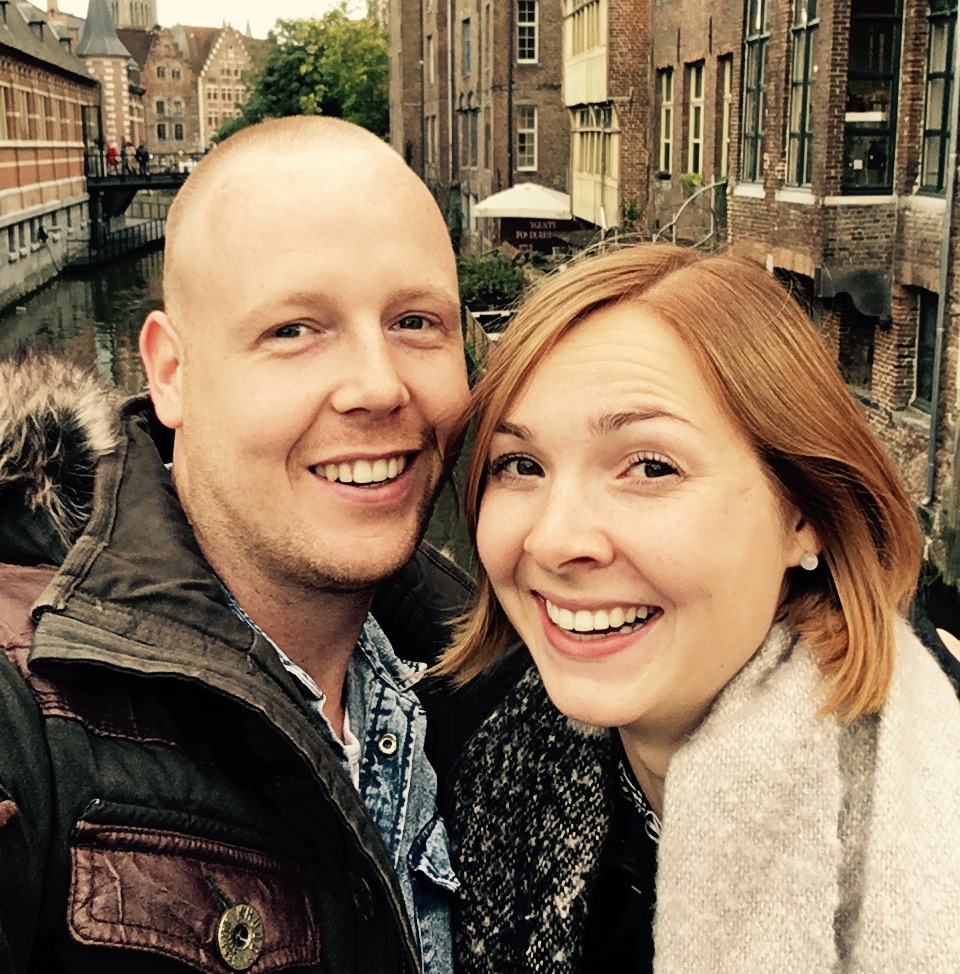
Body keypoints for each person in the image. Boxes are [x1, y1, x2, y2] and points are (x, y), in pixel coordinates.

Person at [0, 116, 472, 972]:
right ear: (170, 372)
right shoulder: (24, 719)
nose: (378, 385)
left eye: (415, 321)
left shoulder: (494, 671)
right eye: (295, 329)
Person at [438, 243, 960, 973]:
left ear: (805, 514)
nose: (554, 541)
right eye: (521, 465)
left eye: (650, 467)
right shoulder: (471, 760)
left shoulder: (934, 786)